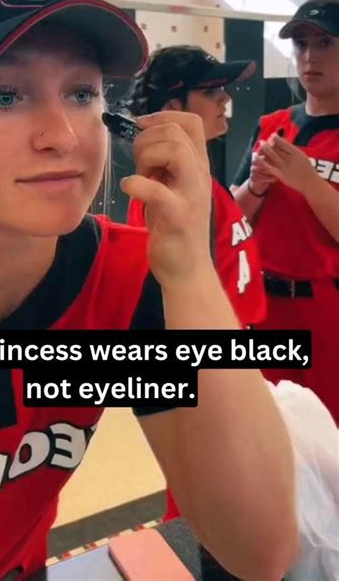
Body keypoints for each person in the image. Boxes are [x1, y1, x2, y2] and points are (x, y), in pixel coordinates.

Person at [0, 0, 297, 581]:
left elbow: (258, 551)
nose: (64, 136)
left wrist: (190, 271)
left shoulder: (124, 283)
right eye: (4, 96)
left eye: (81, 93)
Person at [125, 45, 268, 522]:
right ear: (173, 107)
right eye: (211, 92)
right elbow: (168, 307)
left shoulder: (198, 180)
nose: (225, 99)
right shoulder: (168, 192)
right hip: (210, 373)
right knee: (211, 501)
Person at [232, 0, 339, 423]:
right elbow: (233, 220)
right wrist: (256, 187)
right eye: (301, 44)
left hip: (326, 309)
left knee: (328, 436)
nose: (310, 57)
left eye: (325, 43)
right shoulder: (272, 125)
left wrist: (307, 182)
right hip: (263, 305)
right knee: (266, 428)